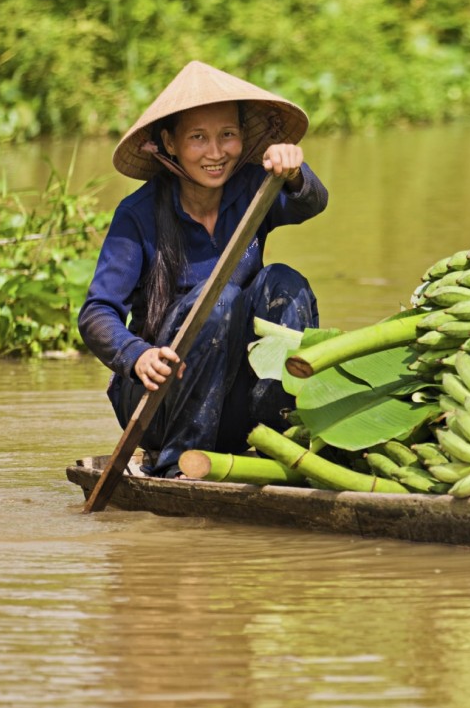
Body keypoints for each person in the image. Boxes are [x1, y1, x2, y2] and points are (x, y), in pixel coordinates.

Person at [79, 60, 327, 476]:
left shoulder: (254, 188)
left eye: (227, 135)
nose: (216, 153)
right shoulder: (138, 215)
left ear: (243, 138)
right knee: (219, 299)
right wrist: (137, 356)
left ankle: (284, 440)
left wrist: (294, 172)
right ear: (169, 143)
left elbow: (311, 202)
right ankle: (179, 464)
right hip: (159, 405)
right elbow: (96, 312)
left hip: (236, 405)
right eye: (198, 138)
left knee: (285, 281)